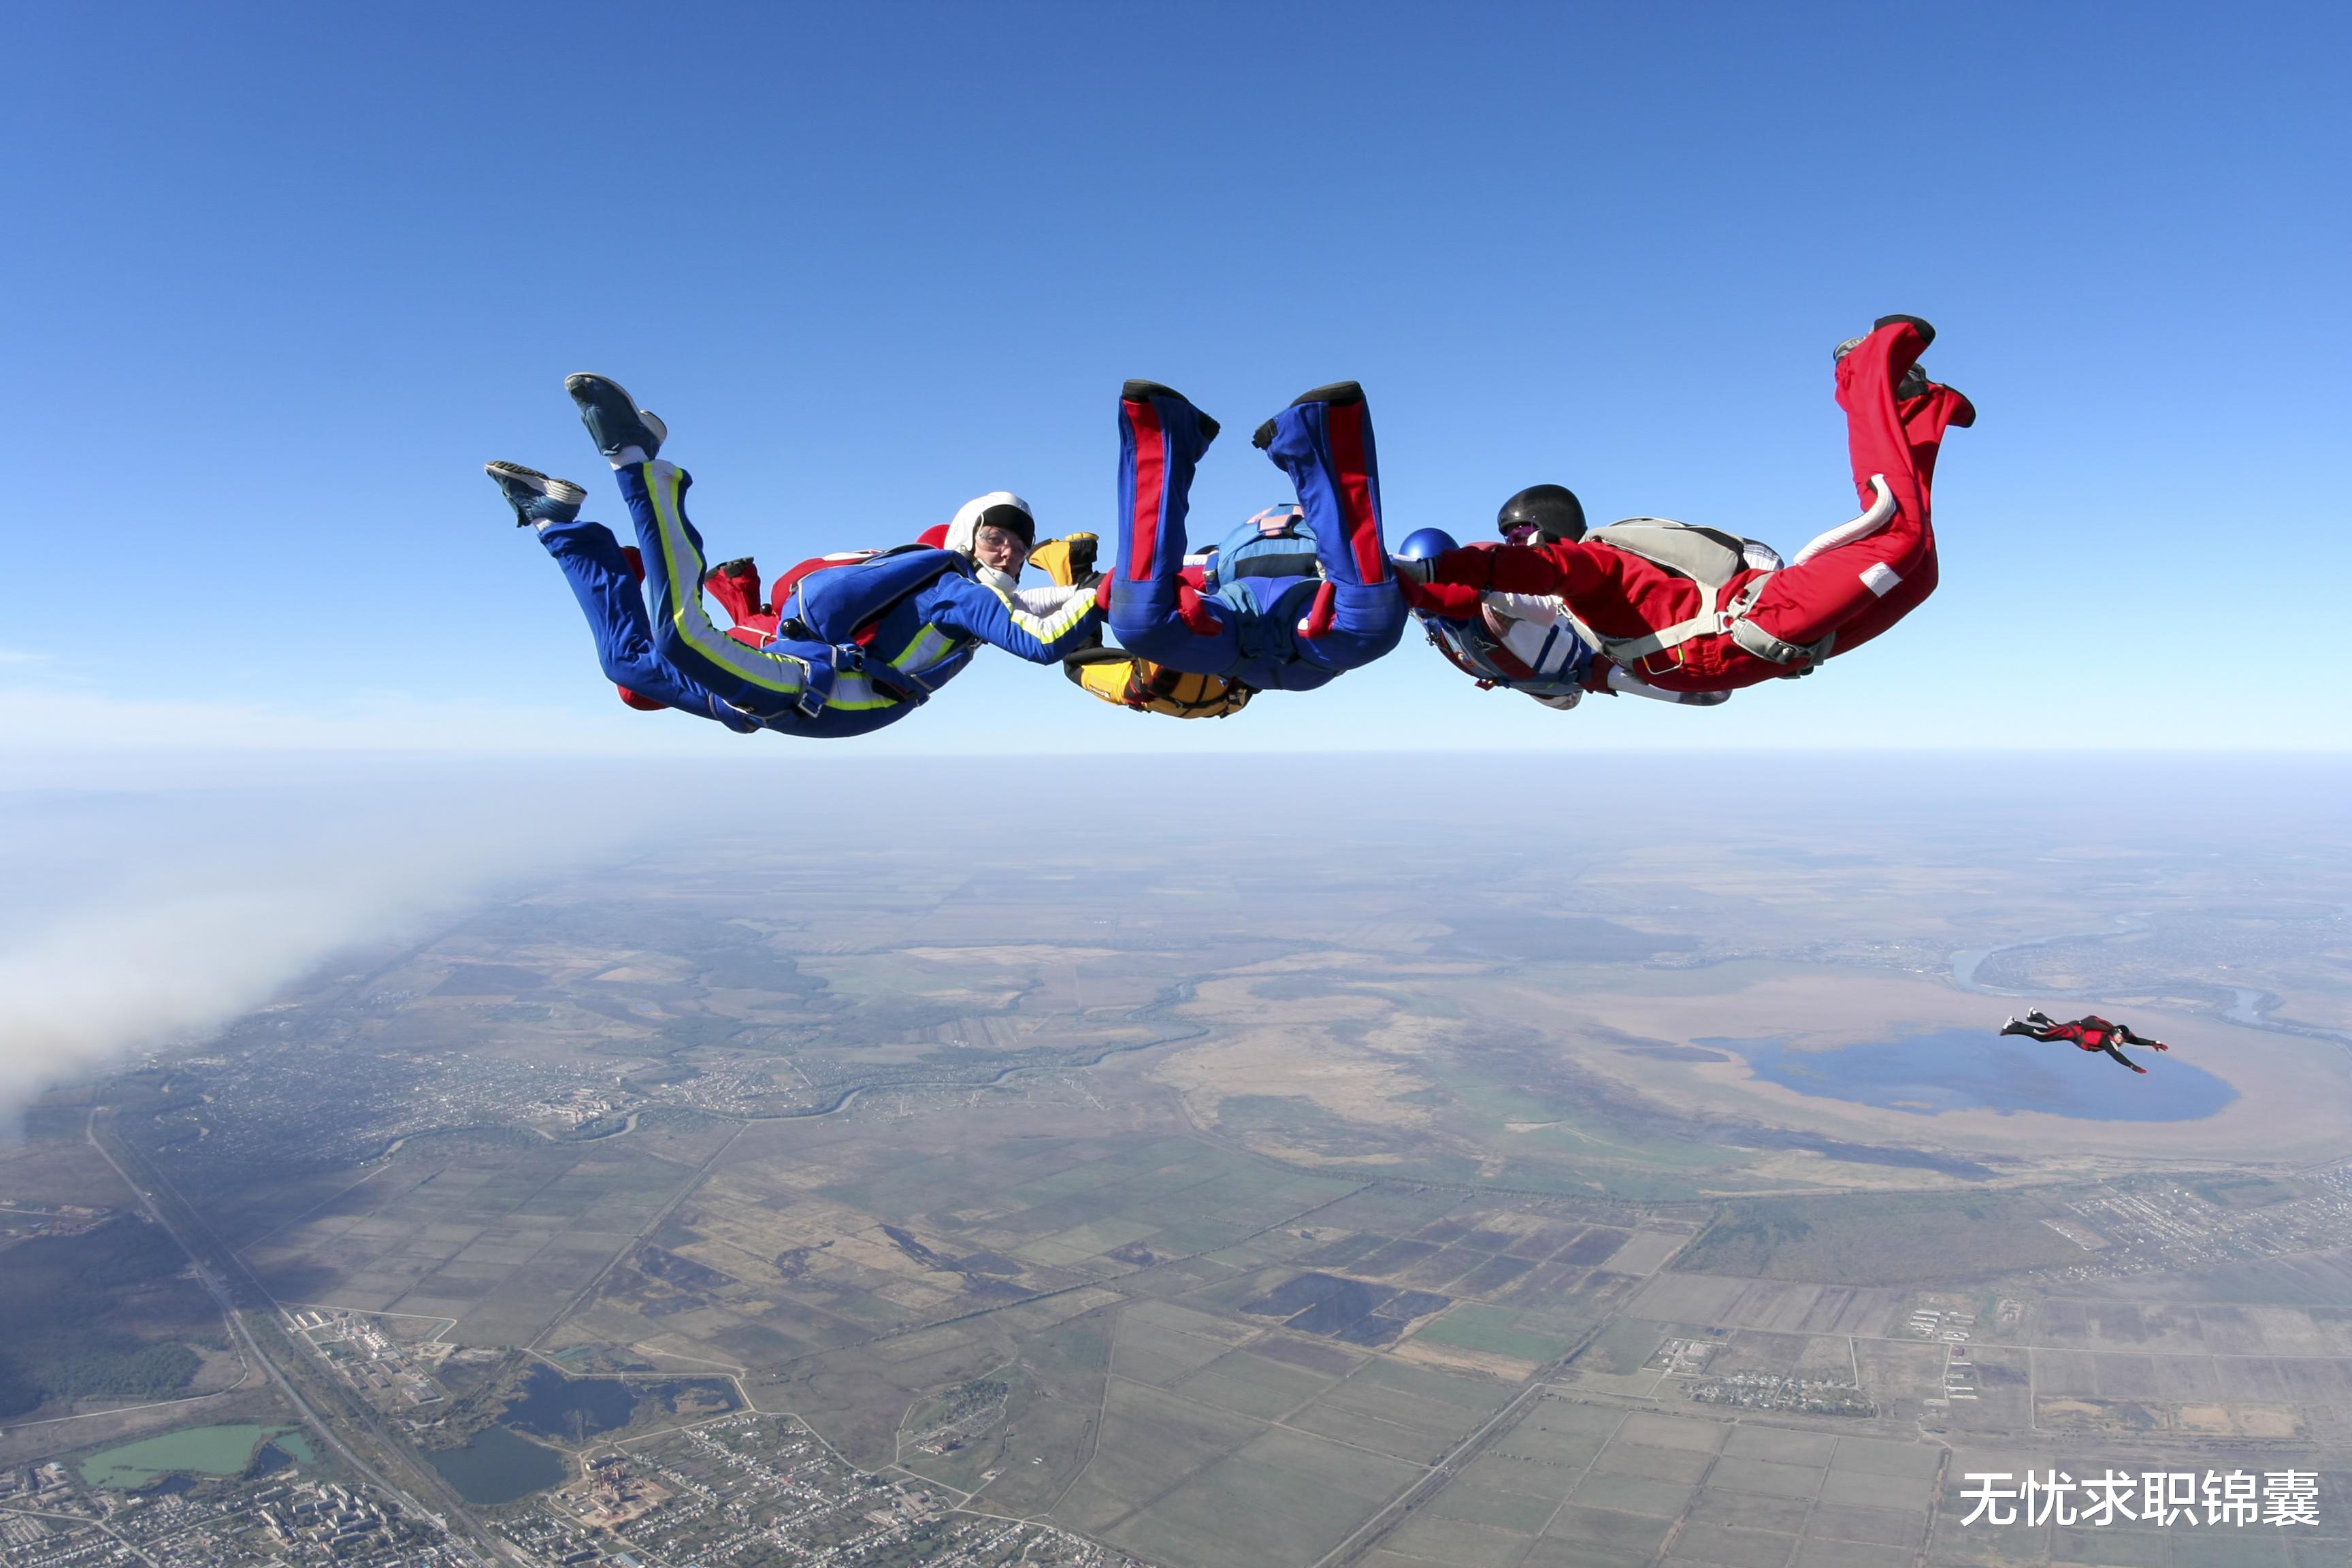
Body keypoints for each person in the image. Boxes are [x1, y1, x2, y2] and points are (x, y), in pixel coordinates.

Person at [489, 374, 1100, 738]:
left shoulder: (972, 597)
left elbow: (1040, 629)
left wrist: (1106, 591)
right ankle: (558, 520)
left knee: (675, 640)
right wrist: (1104, 593)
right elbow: (1044, 625)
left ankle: (633, 463)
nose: (1011, 551)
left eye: (1020, 547)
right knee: (629, 662)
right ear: (967, 539)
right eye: (998, 538)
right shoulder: (958, 588)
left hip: (820, 692)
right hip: (804, 685)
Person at [1392, 315, 1974, 693]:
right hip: (1757, 643)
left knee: (1909, 558)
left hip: (1755, 627)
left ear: (1549, 532)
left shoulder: (1585, 567)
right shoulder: (1576, 616)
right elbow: (1546, 650)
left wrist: (1426, 574)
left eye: (1523, 536)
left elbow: (1510, 576)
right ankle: (1893, 390)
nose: (1520, 547)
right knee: (1911, 558)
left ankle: (1887, 389)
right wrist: (1420, 593)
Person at [1109, 379, 1406, 693]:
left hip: (1237, 636)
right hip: (1293, 632)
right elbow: (1395, 575)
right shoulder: (1224, 557)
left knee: (1139, 624)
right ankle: (1322, 438)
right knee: (1372, 618)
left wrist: (1116, 590)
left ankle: (1161, 439)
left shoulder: (1215, 558)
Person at [1394, 524, 1731, 712]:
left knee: (1706, 693)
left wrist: (1488, 586)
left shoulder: (1495, 601)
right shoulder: (1425, 612)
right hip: (1543, 683)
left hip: (1580, 668)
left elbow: (1544, 607)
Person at [2000, 1011, 2171, 1074]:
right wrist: (2133, 1067)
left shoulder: (2118, 1034)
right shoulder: (2107, 1040)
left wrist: (2153, 1043)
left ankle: (2035, 1015)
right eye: (2120, 1038)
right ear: (2116, 1033)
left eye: (2122, 1039)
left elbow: (2135, 1040)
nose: (2122, 1042)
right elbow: (2116, 1056)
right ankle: (2015, 1025)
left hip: (2076, 1032)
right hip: (2075, 1033)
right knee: (2044, 1036)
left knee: (2054, 1028)